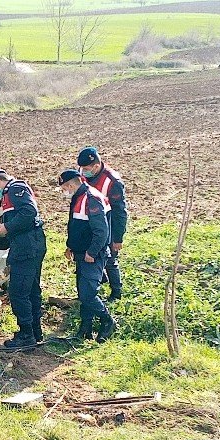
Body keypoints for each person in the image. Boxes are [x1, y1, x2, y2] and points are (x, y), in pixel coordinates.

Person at [0, 169, 47, 349]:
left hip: (27, 247)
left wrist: (7, 227)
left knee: (18, 292)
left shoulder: (14, 189)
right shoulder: (10, 193)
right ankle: (35, 332)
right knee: (31, 290)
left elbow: (29, 213)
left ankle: (26, 335)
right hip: (30, 244)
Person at [58, 169, 116, 342]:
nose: (63, 192)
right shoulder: (79, 196)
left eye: (63, 188)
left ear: (70, 185)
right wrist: (70, 247)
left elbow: (101, 231)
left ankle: (108, 321)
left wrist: (92, 252)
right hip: (81, 253)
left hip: (92, 255)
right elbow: (76, 225)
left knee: (88, 294)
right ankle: (85, 329)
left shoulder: (91, 198)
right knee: (83, 292)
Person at [77, 146, 127, 302]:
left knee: (110, 259)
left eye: (86, 169)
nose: (83, 171)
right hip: (88, 225)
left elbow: (120, 212)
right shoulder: (82, 175)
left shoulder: (112, 181)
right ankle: (98, 281)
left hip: (107, 226)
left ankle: (116, 292)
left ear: (96, 166)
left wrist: (117, 238)